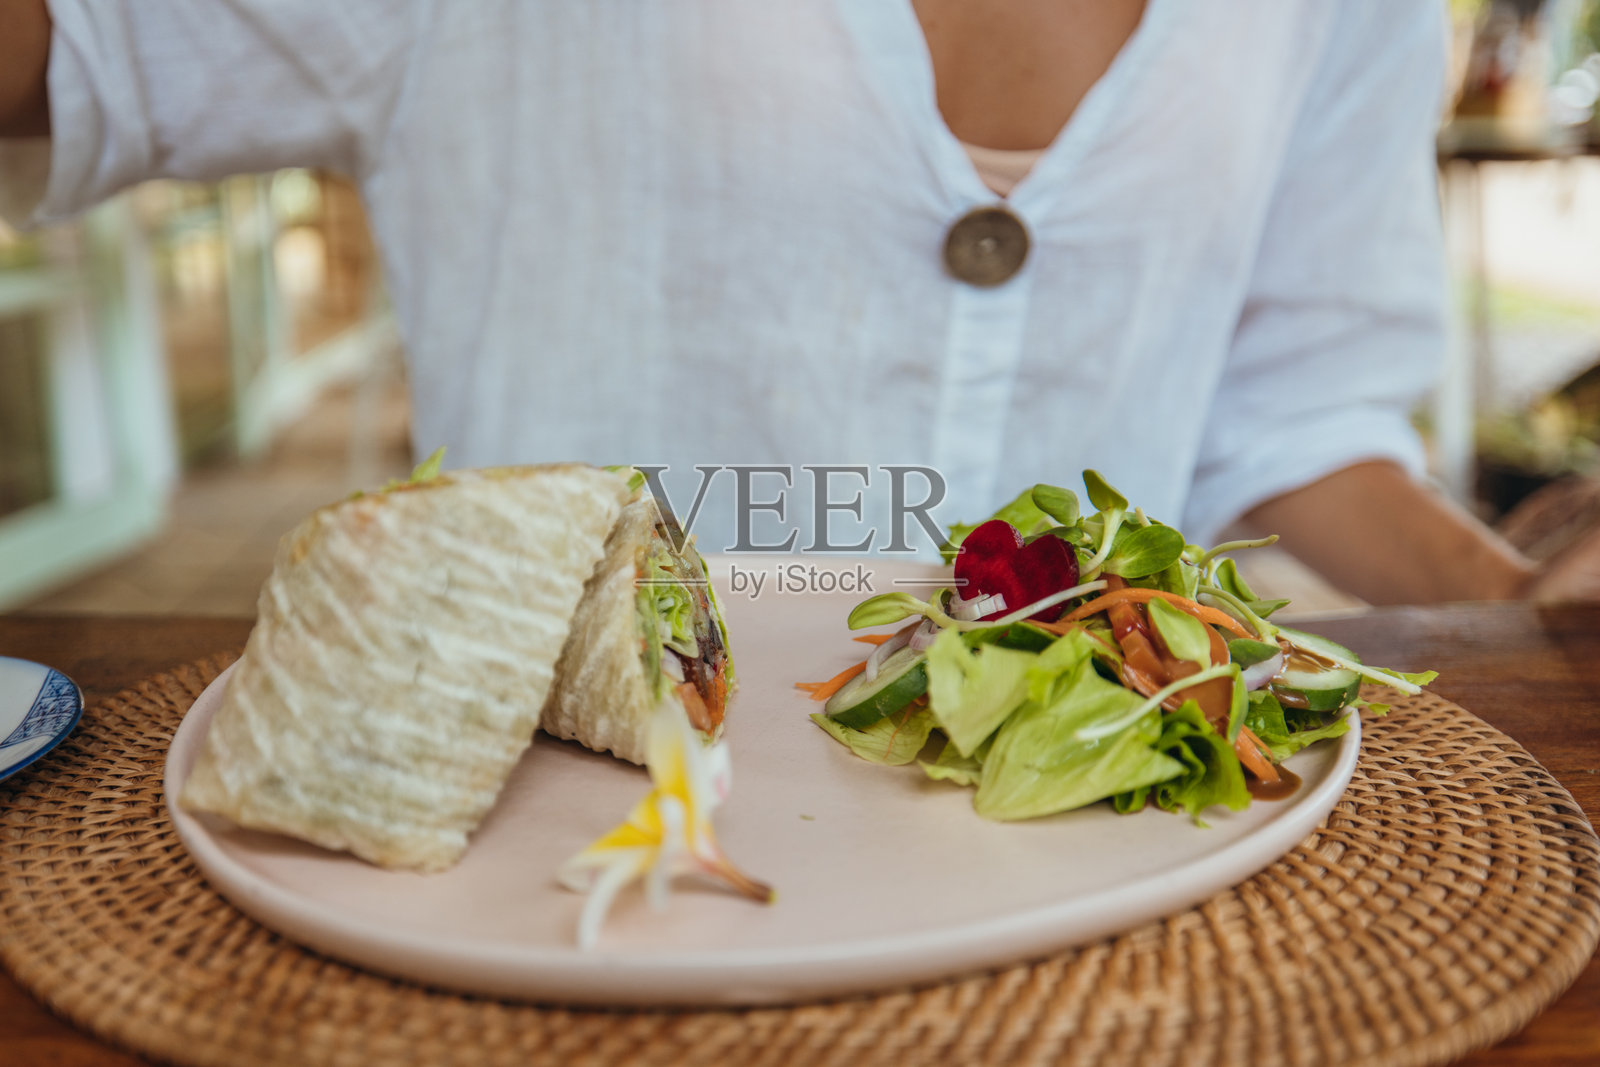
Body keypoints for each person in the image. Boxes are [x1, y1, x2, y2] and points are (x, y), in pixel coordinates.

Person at [1, 0, 1595, 603]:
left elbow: (1293, 409)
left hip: (1104, 874)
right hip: (559, 870)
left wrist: (1522, 603)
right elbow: (76, 51)